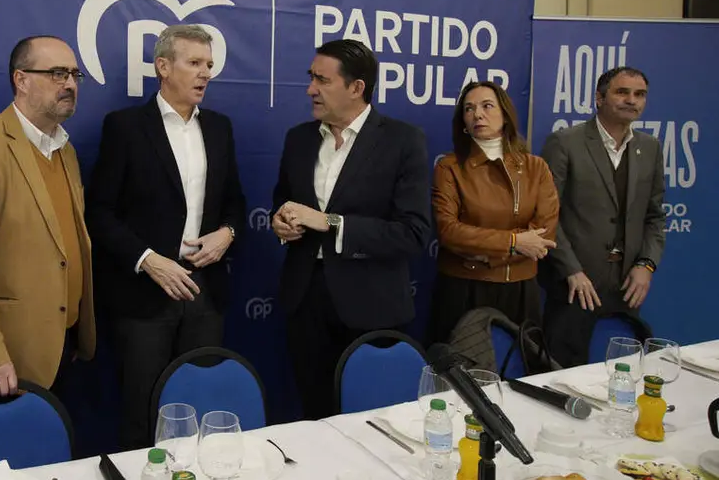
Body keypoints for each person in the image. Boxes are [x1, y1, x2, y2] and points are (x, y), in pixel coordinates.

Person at [87, 24, 245, 449]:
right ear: (163, 66)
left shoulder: (220, 128)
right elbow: (99, 212)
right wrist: (148, 260)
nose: (205, 73)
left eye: (209, 65)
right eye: (194, 63)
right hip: (143, 298)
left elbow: (236, 203)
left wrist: (226, 235)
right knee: (143, 411)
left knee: (201, 404)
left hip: (204, 293)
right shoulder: (125, 127)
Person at [271, 39, 430, 419]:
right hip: (305, 301)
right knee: (314, 415)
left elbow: (413, 233)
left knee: (373, 421)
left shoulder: (403, 141)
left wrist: (330, 223)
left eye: (322, 80)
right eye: (311, 78)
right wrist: (281, 224)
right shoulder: (299, 139)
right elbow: (283, 203)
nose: (311, 89)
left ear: (356, 88)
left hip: (371, 306)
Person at [0, 35, 95, 400]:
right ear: (21, 80)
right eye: (57, 74)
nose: (70, 84)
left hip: (61, 346)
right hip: (4, 360)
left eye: (74, 74)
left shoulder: (65, 151)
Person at [540, 66, 665, 367]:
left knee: (620, 377)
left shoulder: (650, 148)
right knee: (563, 379)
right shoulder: (565, 142)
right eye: (622, 92)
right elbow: (545, 215)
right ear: (599, 98)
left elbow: (655, 217)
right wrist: (571, 270)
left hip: (625, 288)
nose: (631, 100)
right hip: (572, 286)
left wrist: (646, 265)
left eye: (639, 94)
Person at [428, 81, 559, 345]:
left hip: (521, 292)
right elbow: (449, 232)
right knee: (460, 375)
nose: (477, 114)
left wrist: (483, 254)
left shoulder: (536, 167)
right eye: (469, 109)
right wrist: (514, 244)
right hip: (464, 289)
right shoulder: (449, 167)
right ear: (463, 122)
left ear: (505, 114)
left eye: (487, 106)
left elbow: (543, 235)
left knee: (519, 373)